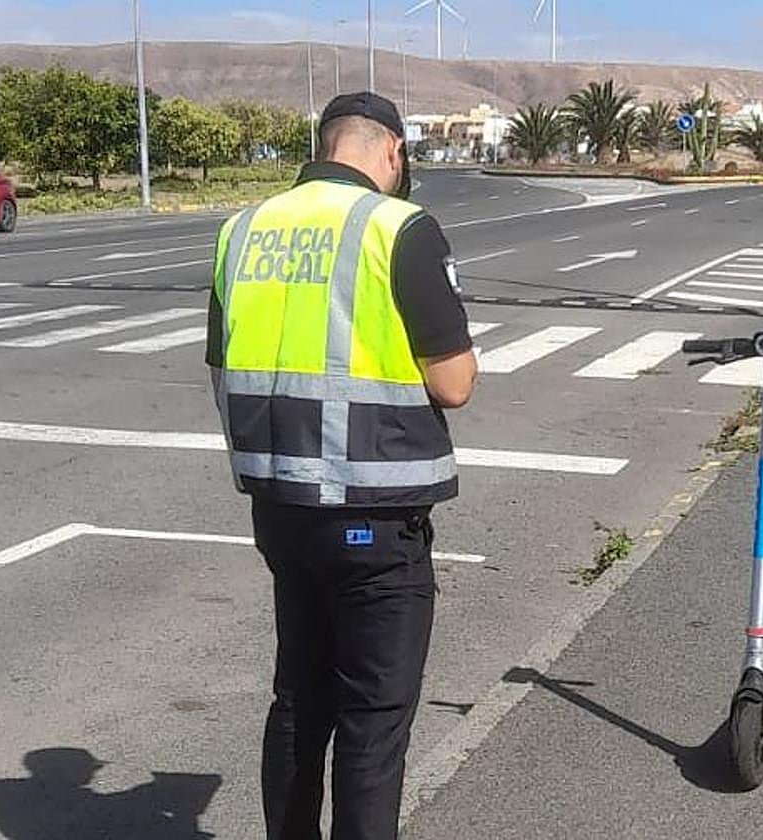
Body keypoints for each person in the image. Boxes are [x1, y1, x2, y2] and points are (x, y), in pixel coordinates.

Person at [204, 91, 477, 840]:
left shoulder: (242, 230)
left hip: (281, 510)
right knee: (373, 723)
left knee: (298, 700)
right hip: (374, 517)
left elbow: (222, 371)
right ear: (391, 150)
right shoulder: (398, 228)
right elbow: (453, 382)